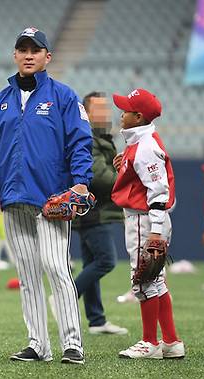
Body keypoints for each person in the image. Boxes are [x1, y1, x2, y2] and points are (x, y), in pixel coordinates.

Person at [0, 27, 92, 365]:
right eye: (22, 49)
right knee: (26, 274)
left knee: (56, 268)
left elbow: (80, 142)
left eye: (35, 50)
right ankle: (38, 344)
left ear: (47, 57)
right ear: (14, 55)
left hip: (51, 200)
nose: (28, 55)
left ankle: (72, 344)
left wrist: (80, 182)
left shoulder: (64, 97)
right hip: (12, 200)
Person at [111, 88, 184, 359]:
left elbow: (158, 193)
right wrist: (124, 165)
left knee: (142, 281)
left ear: (138, 116)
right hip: (148, 218)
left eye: (126, 110)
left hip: (145, 219)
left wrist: (154, 232)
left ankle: (149, 342)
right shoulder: (139, 143)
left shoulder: (145, 147)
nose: (121, 113)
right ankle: (172, 342)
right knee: (157, 281)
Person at [71, 92, 127, 335]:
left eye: (106, 108)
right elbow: (100, 177)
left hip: (91, 211)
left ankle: (96, 320)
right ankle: (68, 295)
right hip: (95, 211)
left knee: (92, 263)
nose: (106, 113)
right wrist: (128, 181)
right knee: (106, 260)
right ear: (86, 113)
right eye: (99, 109)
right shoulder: (88, 138)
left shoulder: (100, 137)